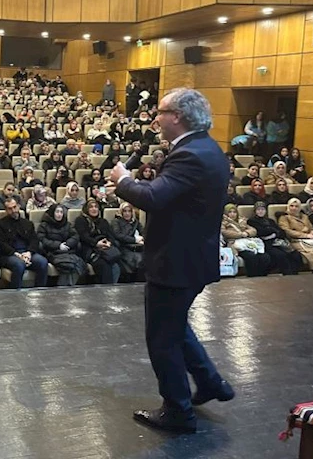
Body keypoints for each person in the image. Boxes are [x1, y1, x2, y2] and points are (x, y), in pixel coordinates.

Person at [109, 88, 234, 434]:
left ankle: (178, 411)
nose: (155, 118)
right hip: (191, 257)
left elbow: (153, 199)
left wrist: (123, 181)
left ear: (177, 116)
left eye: (160, 112)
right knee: (175, 327)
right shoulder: (208, 148)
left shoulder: (190, 154)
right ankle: (210, 383)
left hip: (176, 261)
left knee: (162, 339)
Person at [0, 197, 49, 289]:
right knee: (19, 264)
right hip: (9, 255)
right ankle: (16, 293)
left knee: (42, 262)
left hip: (27, 252)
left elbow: (34, 240)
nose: (13, 210)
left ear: (18, 206)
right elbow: (1, 244)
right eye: (10, 209)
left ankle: (40, 291)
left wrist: (29, 253)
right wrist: (18, 255)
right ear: (6, 210)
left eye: (14, 207)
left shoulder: (27, 223)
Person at [278, 197, 313, 273]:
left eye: (296, 206)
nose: (294, 208)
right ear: (288, 206)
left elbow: (312, 228)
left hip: (310, 241)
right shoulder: (284, 217)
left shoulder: (305, 216)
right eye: (292, 206)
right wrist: (305, 235)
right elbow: (287, 231)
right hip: (295, 241)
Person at [246, 201, 302, 275]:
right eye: (258, 209)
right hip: (266, 244)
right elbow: (261, 232)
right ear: (255, 211)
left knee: (295, 253)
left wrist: (273, 233)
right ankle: (288, 274)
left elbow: (282, 232)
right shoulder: (252, 221)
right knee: (281, 255)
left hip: (277, 242)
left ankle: (295, 273)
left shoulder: (270, 221)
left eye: (262, 209)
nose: (260, 211)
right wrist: (273, 231)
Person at [74, 198, 121, 284]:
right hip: (90, 249)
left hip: (106, 249)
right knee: (104, 265)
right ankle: (106, 292)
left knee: (116, 267)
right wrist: (96, 244)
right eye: (91, 207)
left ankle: (112, 290)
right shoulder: (81, 220)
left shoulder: (103, 221)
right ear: (86, 209)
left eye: (96, 207)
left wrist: (109, 242)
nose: (94, 209)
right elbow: (83, 236)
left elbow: (111, 236)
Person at [220, 204, 274, 277]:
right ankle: (252, 276)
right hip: (235, 245)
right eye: (230, 212)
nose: (232, 214)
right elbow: (225, 233)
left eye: (234, 212)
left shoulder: (241, 221)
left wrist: (247, 233)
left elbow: (253, 230)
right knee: (251, 256)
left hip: (248, 243)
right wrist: (241, 234)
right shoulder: (223, 223)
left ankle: (261, 276)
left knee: (265, 256)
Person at [37, 204, 84, 286]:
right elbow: (42, 239)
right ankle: (65, 288)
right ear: (52, 213)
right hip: (53, 252)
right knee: (68, 265)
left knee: (77, 264)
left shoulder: (67, 224)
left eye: (61, 212)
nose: (59, 214)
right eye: (57, 212)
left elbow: (75, 236)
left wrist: (67, 244)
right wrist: (58, 245)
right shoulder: (44, 225)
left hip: (68, 250)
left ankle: (70, 287)